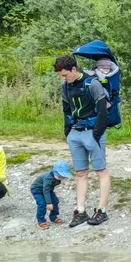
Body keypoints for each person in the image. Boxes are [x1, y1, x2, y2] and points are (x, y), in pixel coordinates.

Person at [55, 55, 111, 227]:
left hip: (92, 132)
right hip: (76, 133)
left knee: (100, 171)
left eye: (65, 75)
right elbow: (66, 110)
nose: (63, 78)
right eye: (61, 76)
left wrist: (96, 134)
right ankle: (80, 211)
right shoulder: (66, 86)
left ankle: (101, 210)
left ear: (74, 69)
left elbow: (103, 111)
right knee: (81, 173)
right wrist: (68, 132)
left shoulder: (92, 84)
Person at [31, 160, 72, 229]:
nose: (61, 179)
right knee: (42, 204)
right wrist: (49, 203)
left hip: (48, 189)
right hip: (37, 190)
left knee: (55, 201)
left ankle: (53, 217)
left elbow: (49, 189)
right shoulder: (48, 179)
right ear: (54, 173)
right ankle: (41, 221)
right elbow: (45, 190)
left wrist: (51, 200)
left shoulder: (56, 178)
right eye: (59, 177)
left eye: (63, 177)